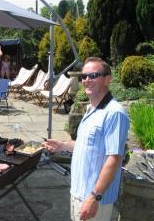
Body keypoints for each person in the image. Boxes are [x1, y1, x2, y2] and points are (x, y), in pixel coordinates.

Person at [42, 57, 129, 221]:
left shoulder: (114, 113)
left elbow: (114, 159)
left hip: (95, 199)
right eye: (84, 76)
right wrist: (62, 146)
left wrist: (94, 197)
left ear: (107, 79)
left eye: (94, 75)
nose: (87, 80)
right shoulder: (90, 109)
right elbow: (86, 144)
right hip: (78, 193)